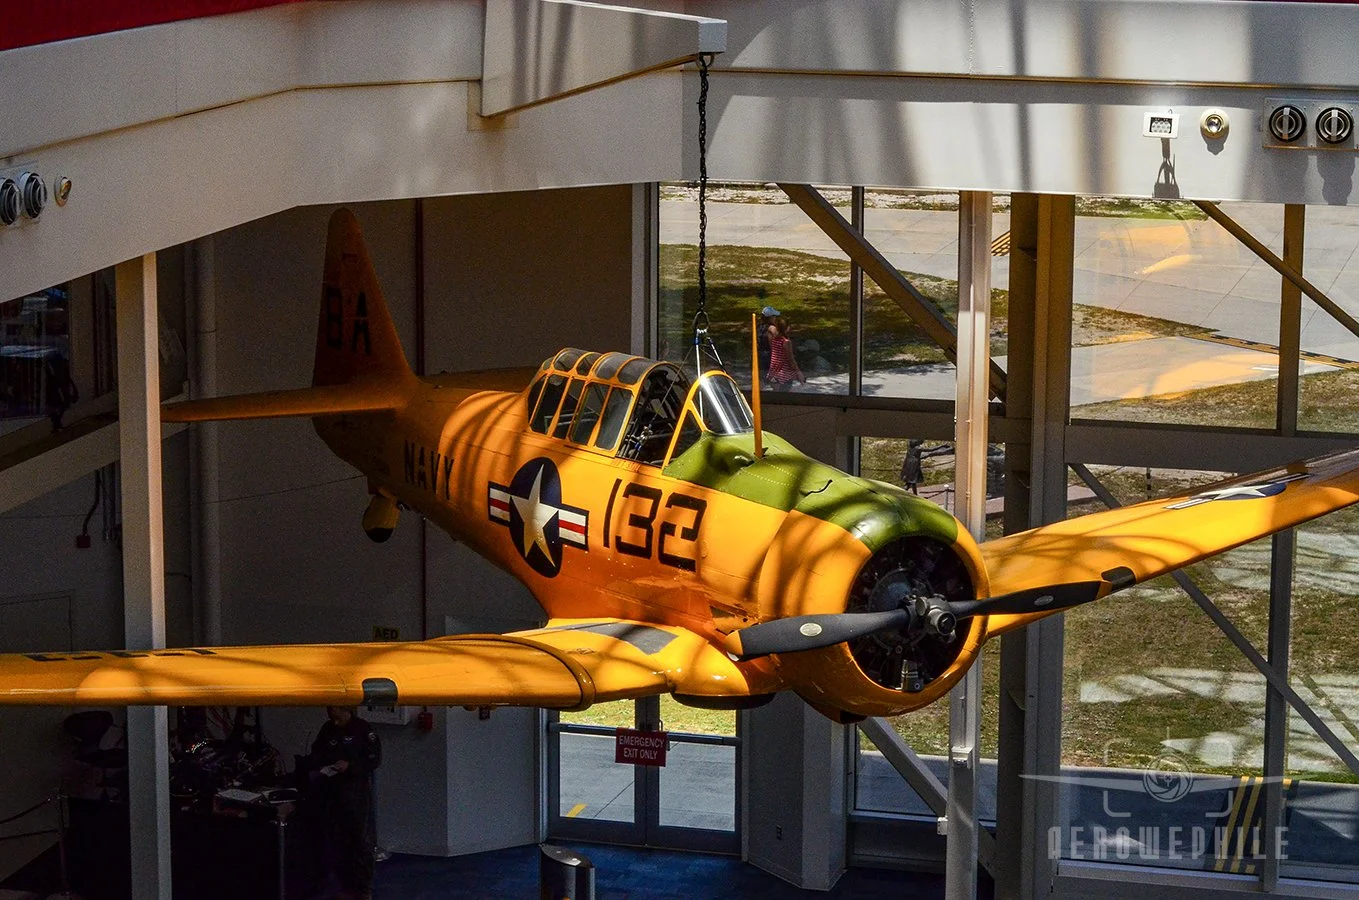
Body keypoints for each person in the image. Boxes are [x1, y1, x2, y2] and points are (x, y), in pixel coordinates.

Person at [308, 706, 381, 900]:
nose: (330, 713)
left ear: (345, 709)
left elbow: (374, 759)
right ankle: (345, 887)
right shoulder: (327, 729)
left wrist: (350, 766)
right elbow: (316, 752)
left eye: (333, 709)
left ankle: (363, 889)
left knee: (359, 841)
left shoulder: (363, 729)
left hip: (355, 794)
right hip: (331, 792)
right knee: (337, 842)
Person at [765, 315, 804, 391]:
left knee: (776, 394)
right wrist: (798, 372)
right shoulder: (786, 342)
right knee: (785, 393)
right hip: (784, 374)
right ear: (788, 328)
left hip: (773, 371)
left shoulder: (774, 339)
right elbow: (791, 359)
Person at [44, 354, 78, 431]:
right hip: (56, 396)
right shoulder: (54, 377)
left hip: (58, 396)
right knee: (58, 408)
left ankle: (56, 423)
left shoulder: (61, 375)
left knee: (59, 408)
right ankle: (56, 424)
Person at [757, 305, 779, 374]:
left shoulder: (759, 327)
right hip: (769, 357)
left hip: (760, 355)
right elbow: (774, 345)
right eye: (774, 316)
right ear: (770, 317)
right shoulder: (772, 328)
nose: (775, 318)